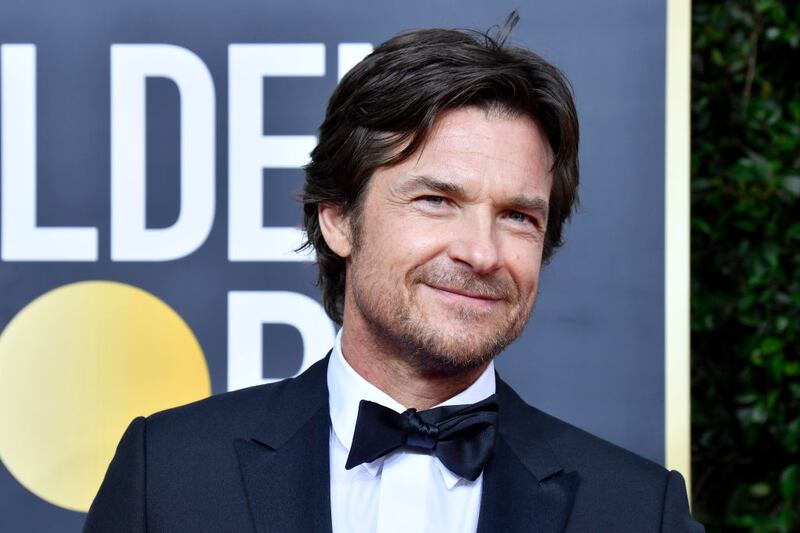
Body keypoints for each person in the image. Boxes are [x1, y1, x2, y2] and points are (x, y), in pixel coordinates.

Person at [84, 14, 704, 533]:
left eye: (517, 216)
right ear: (338, 219)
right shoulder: (170, 474)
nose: (481, 253)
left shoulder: (636, 511)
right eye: (436, 200)